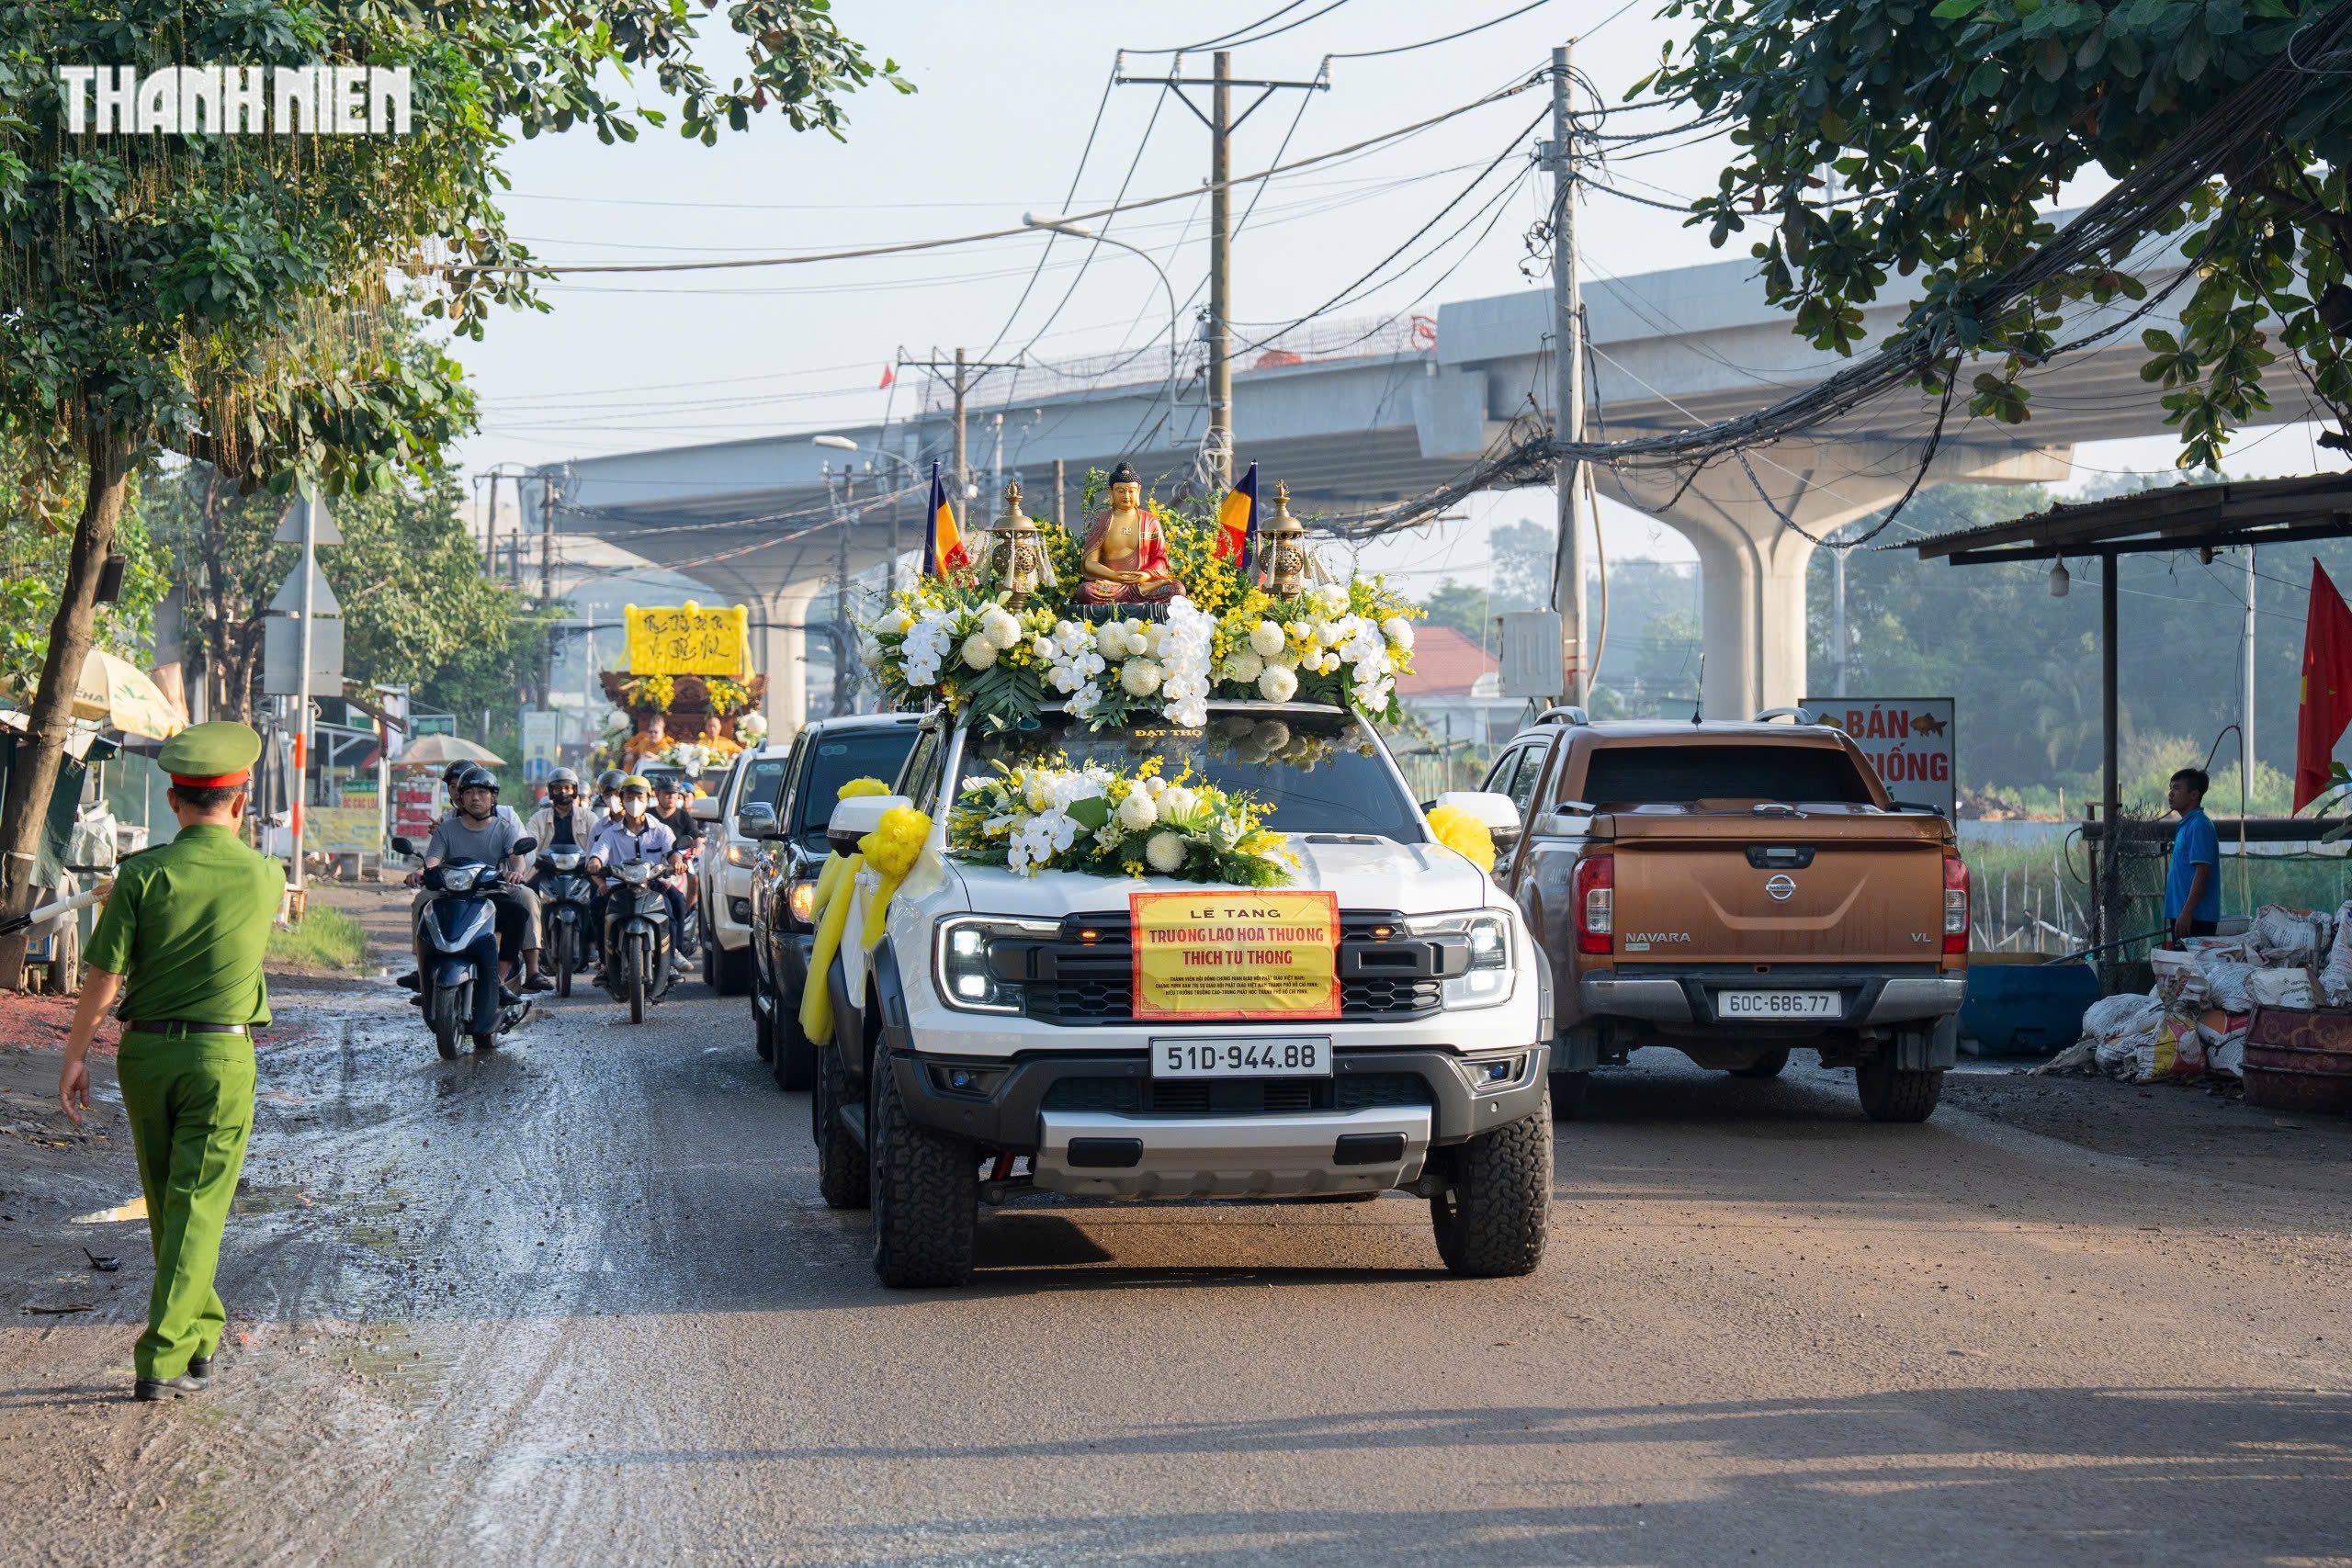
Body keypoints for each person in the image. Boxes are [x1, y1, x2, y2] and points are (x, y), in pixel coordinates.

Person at [56, 722, 283, 1401]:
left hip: (146, 1054)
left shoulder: (140, 873)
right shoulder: (266, 876)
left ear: (173, 802)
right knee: (197, 1205)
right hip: (221, 1055)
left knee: (170, 1204)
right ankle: (160, 1355)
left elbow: (103, 977)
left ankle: (203, 1328)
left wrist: (73, 1055)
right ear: (242, 803)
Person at [406, 765, 549, 993]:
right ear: (459, 797)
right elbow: (432, 860)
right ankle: (422, 974)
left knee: (523, 904)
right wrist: (421, 873)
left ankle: (519, 974)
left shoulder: (505, 826)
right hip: (452, 891)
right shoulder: (446, 828)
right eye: (469, 792)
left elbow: (517, 858)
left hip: (493, 890)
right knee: (423, 900)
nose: (475, 798)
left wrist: (516, 872)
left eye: (482, 792)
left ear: (493, 797)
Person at [587, 775, 690, 976]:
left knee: (672, 906)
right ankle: (605, 961)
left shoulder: (660, 830)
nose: (635, 802)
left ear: (648, 799)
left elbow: (672, 851)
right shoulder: (609, 833)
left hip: (654, 886)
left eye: (640, 797)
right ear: (622, 799)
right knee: (599, 909)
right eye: (630, 796)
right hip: (619, 886)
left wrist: (677, 863)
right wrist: (595, 862)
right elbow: (599, 852)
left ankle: (670, 959)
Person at [2165, 766, 2222, 941]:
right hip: (2182, 914)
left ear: (2194, 794)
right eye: (2170, 788)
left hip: (2195, 917)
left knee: (2190, 966)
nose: (2171, 794)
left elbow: (2203, 871)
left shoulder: (2199, 825)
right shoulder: (2186, 824)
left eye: (2177, 788)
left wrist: (2187, 912)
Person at [649, 774, 704, 950]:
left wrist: (696, 848)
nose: (671, 797)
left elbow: (697, 836)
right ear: (657, 794)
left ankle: (678, 947)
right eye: (667, 793)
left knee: (683, 895)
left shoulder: (684, 816)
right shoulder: (648, 817)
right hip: (648, 867)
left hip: (676, 866)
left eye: (674, 794)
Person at [526, 767, 595, 855]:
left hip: (582, 867)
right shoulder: (537, 819)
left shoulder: (589, 817)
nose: (563, 791)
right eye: (558, 788)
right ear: (551, 791)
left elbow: (598, 844)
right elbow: (530, 843)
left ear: (575, 790)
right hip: (545, 867)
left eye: (567, 788)